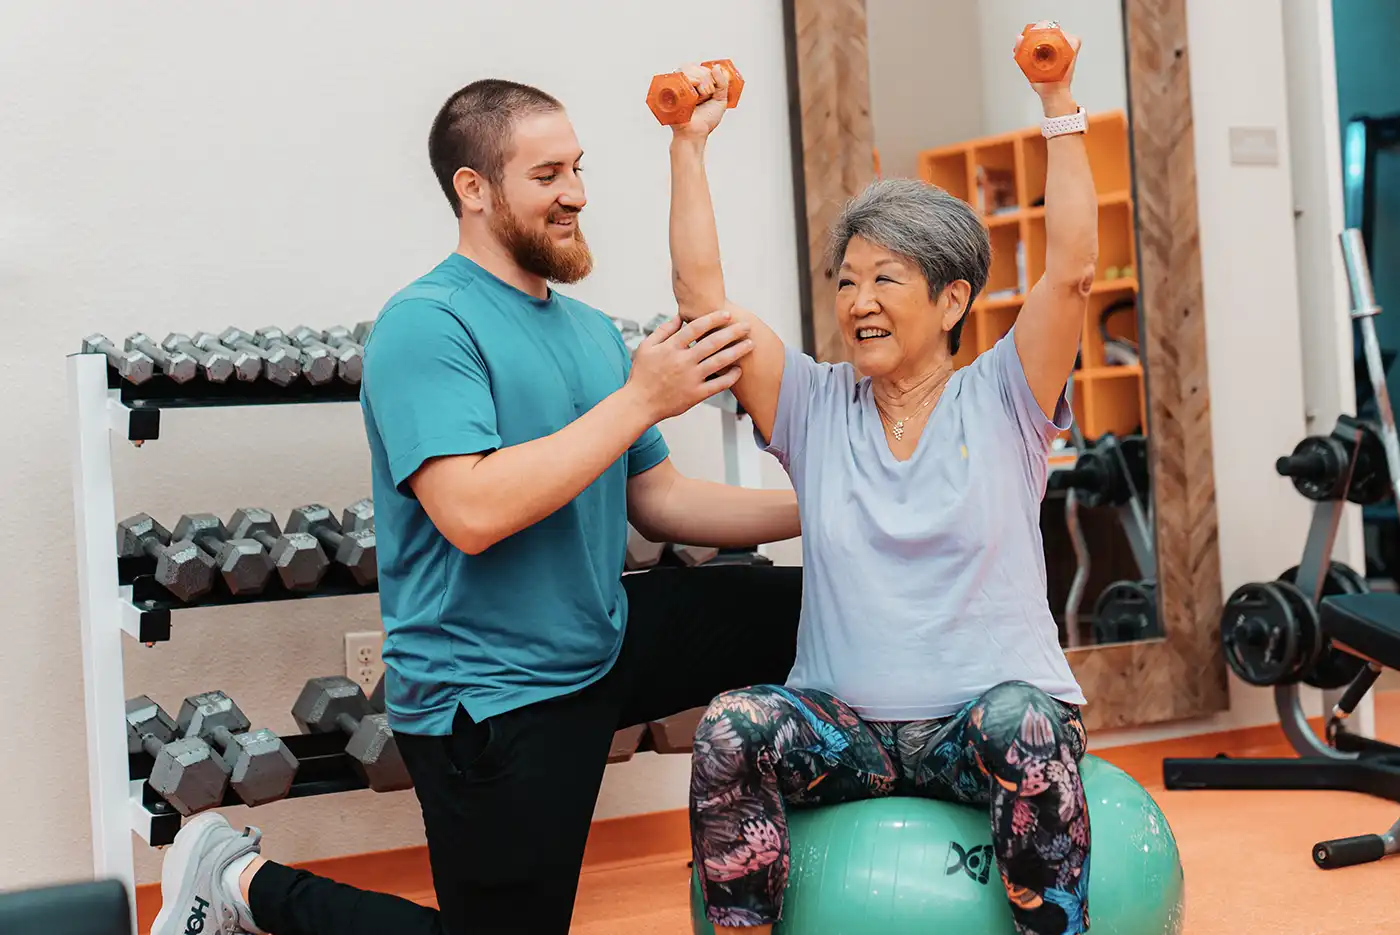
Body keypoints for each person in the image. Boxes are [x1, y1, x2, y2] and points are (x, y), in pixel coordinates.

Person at [150, 78, 804, 935]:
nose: (575, 192)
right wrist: (641, 400)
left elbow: (662, 499)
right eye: (547, 174)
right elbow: (472, 510)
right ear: (475, 188)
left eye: (578, 168)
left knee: (812, 602)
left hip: (600, 639)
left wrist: (823, 505)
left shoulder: (589, 331)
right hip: (489, 697)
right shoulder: (427, 325)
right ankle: (241, 880)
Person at [668, 24, 1097, 935]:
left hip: (977, 732)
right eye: (847, 280)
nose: (858, 301)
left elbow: (1072, 275)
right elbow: (706, 301)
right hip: (847, 736)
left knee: (1023, 720)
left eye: (886, 280)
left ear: (951, 300)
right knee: (731, 723)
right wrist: (689, 143)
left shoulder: (1007, 396)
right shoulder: (815, 409)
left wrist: (1059, 107)